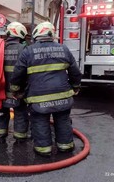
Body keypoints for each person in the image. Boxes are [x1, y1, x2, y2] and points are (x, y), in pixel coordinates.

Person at [10, 21, 82, 156]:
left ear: (37, 35)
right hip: (63, 96)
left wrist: (16, 90)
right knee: (63, 120)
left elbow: (18, 73)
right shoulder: (64, 49)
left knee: (40, 122)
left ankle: (44, 150)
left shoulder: (28, 51)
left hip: (38, 98)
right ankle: (65, 146)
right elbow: (75, 72)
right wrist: (76, 87)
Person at [0, 22, 29, 143]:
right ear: (20, 34)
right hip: (17, 91)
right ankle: (20, 137)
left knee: (1, 112)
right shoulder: (24, 49)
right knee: (20, 114)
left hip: (0, 90)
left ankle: (0, 136)